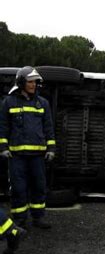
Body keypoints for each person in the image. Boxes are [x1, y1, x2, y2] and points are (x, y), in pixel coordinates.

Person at [0, 66, 56, 229]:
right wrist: (3, 147)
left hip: (37, 155)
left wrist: (51, 149)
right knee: (18, 188)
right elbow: (3, 127)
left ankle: (38, 218)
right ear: (21, 82)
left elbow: (48, 128)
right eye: (30, 81)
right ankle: (20, 219)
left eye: (35, 82)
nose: (33, 85)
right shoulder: (8, 102)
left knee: (39, 186)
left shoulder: (42, 103)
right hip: (16, 156)